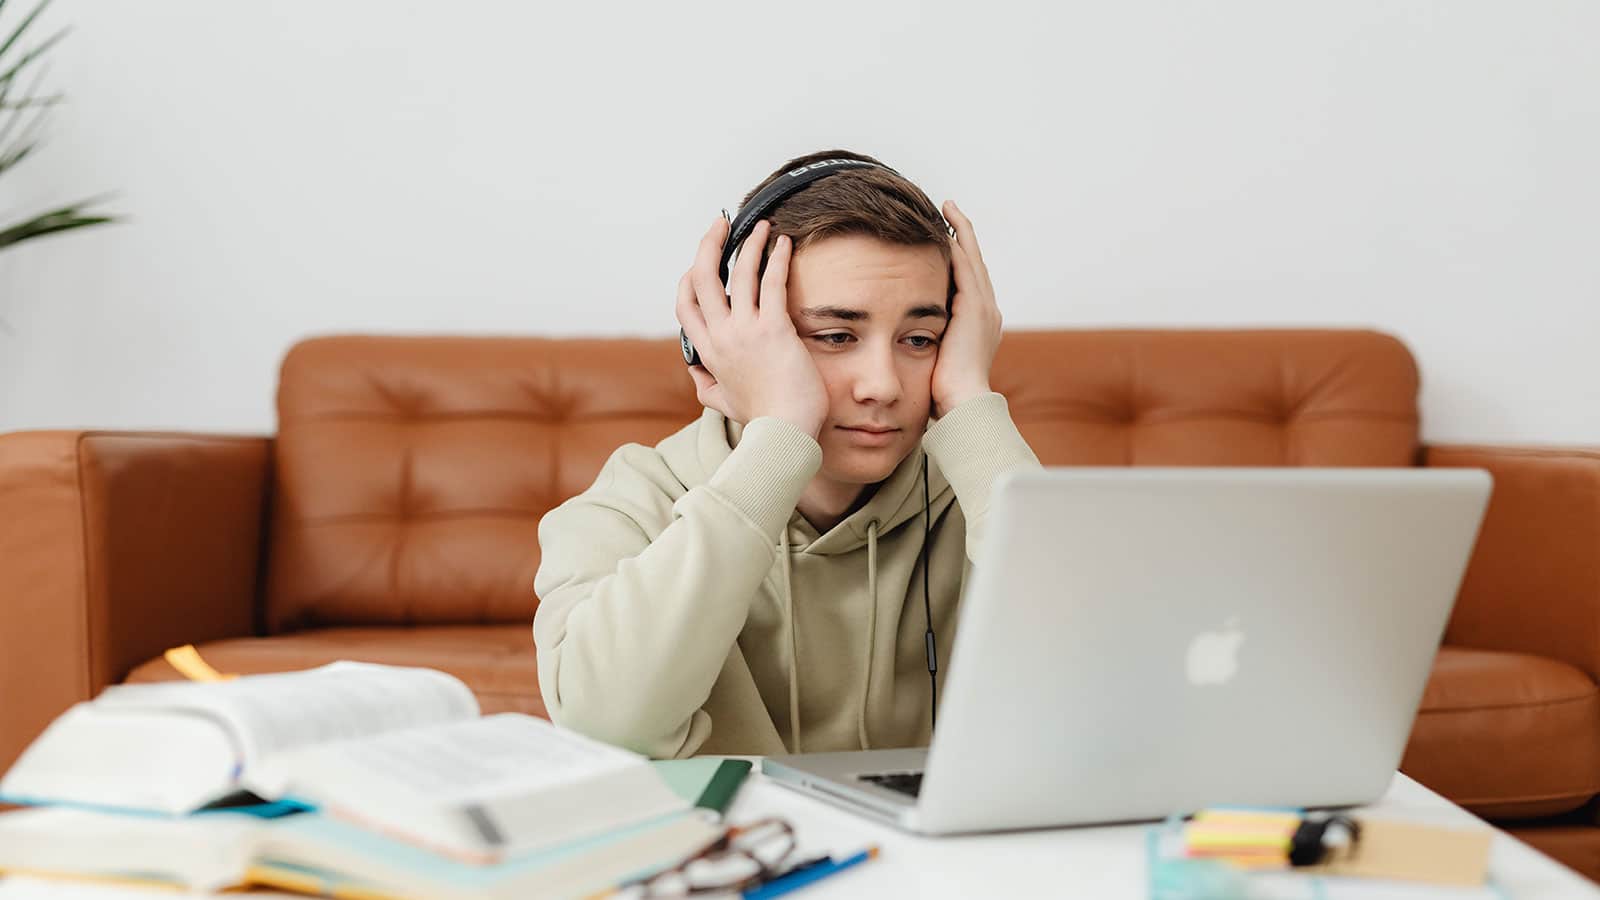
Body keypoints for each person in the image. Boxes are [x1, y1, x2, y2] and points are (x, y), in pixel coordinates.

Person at [533, 149, 1041, 759]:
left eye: (918, 339)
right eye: (835, 336)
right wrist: (780, 436)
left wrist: (969, 401)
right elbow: (607, 727)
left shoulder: (983, 492)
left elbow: (1106, 689)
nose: (882, 385)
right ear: (719, 341)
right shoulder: (632, 503)